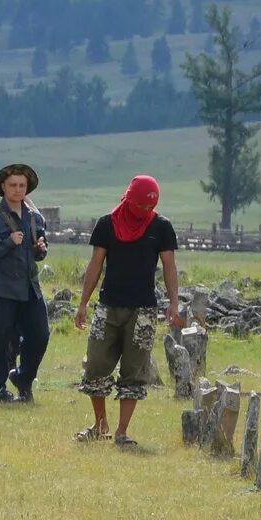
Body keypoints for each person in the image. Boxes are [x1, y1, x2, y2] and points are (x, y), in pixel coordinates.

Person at [73, 174, 182, 447]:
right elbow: (95, 265)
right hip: (108, 306)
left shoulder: (162, 227)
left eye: (150, 207)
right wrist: (83, 303)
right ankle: (100, 425)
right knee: (96, 365)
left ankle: (122, 431)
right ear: (129, 199)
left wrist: (174, 302)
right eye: (141, 206)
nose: (145, 212)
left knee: (134, 371)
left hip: (143, 309)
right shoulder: (106, 225)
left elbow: (169, 266)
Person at [0, 162, 51, 403]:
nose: (18, 190)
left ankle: (23, 377)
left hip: (29, 287)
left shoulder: (35, 218)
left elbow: (39, 250)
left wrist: (40, 249)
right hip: (0, 289)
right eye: (13, 185)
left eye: (22, 185)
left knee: (40, 334)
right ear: (3, 187)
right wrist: (7, 242)